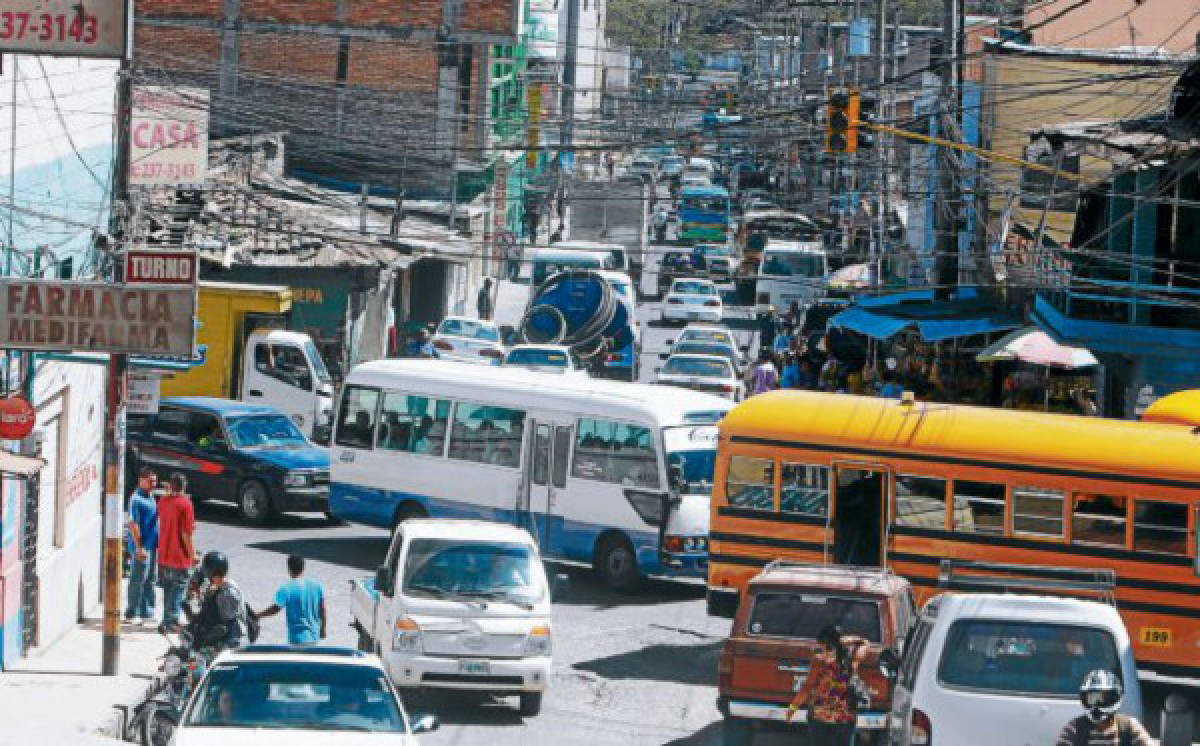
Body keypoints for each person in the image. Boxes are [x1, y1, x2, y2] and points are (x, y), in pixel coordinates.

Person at [786, 625, 866, 746]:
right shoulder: (851, 661)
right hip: (845, 718)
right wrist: (850, 639)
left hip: (819, 716)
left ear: (823, 642)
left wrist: (792, 708)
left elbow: (807, 688)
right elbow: (864, 643)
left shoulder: (819, 661)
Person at [1055, 670, 1153, 746]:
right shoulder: (1074, 729)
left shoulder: (1129, 727)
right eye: (1091, 699)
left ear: (1115, 698)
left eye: (1102, 699)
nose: (1096, 705)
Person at [256, 554, 326, 646]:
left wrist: (258, 615)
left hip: (297, 639)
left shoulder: (286, 588)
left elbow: (275, 609)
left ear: (289, 569)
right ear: (303, 567)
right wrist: (323, 629)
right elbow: (322, 609)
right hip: (314, 637)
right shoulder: (317, 586)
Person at [157, 472, 195, 634]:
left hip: (164, 554)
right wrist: (192, 554)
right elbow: (186, 534)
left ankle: (167, 619)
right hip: (179, 556)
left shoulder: (163, 502)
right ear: (184, 485)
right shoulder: (186, 504)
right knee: (178, 589)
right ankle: (170, 621)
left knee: (168, 589)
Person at [194, 550, 249, 650]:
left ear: (212, 574)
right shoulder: (222, 586)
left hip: (233, 641)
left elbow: (230, 624)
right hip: (226, 634)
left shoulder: (228, 594)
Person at [125, 468, 159, 624]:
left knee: (150, 579)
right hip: (141, 548)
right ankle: (132, 612)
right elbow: (133, 524)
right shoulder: (136, 499)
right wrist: (139, 547)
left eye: (155, 481)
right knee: (138, 579)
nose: (154, 484)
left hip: (151, 546)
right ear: (141, 480)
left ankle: (146, 611)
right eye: (151, 481)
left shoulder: (151, 495)